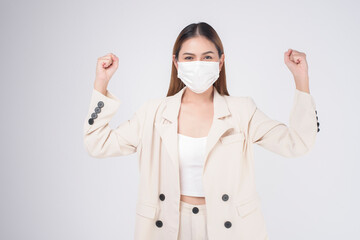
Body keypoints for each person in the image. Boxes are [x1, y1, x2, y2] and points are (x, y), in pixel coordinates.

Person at [83, 22, 319, 240]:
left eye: (207, 57)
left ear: (221, 61)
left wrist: (301, 79)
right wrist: (101, 84)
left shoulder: (242, 110)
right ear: (176, 63)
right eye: (189, 57)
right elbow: (98, 144)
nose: (198, 64)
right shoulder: (153, 112)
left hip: (230, 227)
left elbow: (297, 143)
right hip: (167, 225)